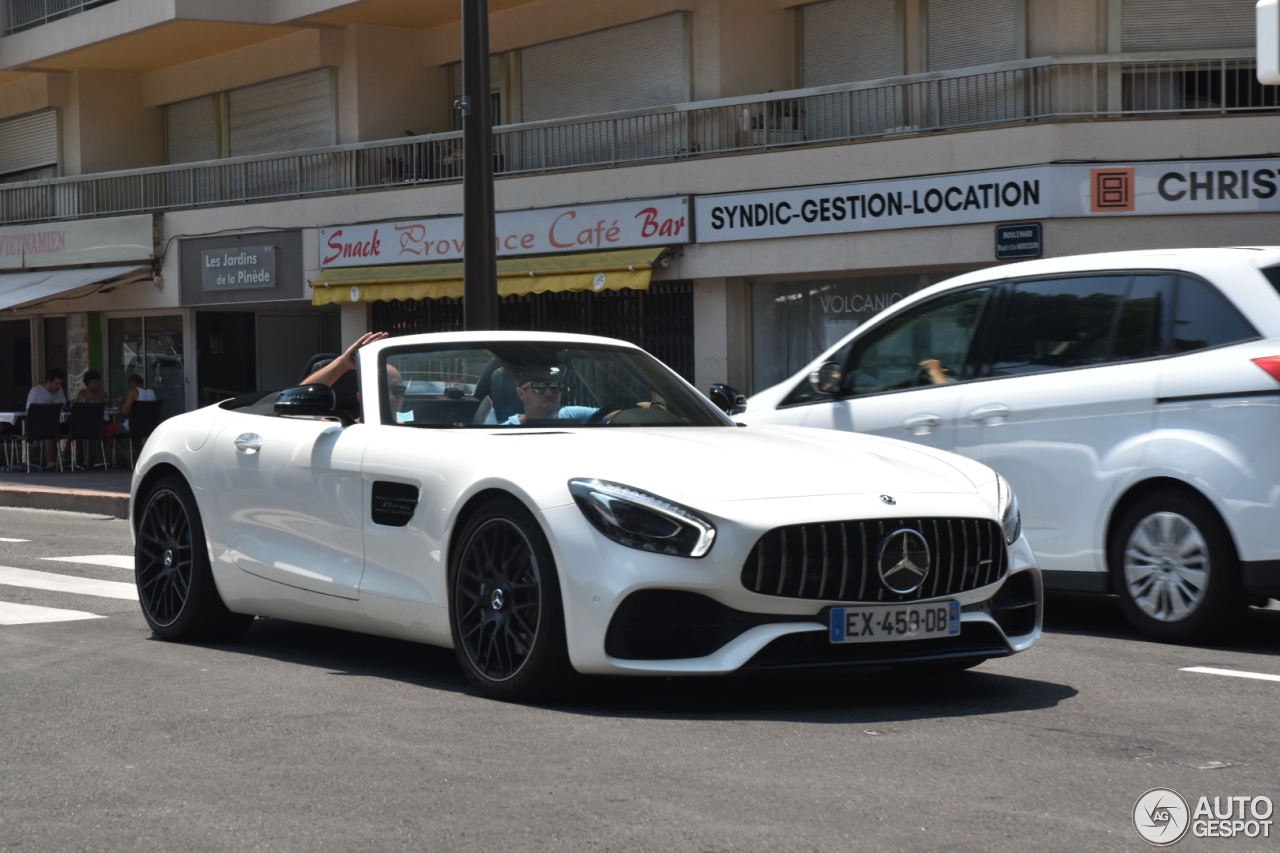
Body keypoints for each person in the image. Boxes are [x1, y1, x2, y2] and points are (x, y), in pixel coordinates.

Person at [302, 332, 405, 421]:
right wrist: (342, 364)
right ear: (360, 397)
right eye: (382, 389)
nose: (392, 397)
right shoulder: (337, 431)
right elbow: (299, 403)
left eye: (398, 390)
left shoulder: (412, 430)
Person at [500, 366, 597, 425]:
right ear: (521, 393)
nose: (548, 393)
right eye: (538, 387)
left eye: (555, 386)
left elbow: (610, 415)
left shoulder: (570, 414)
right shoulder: (502, 431)